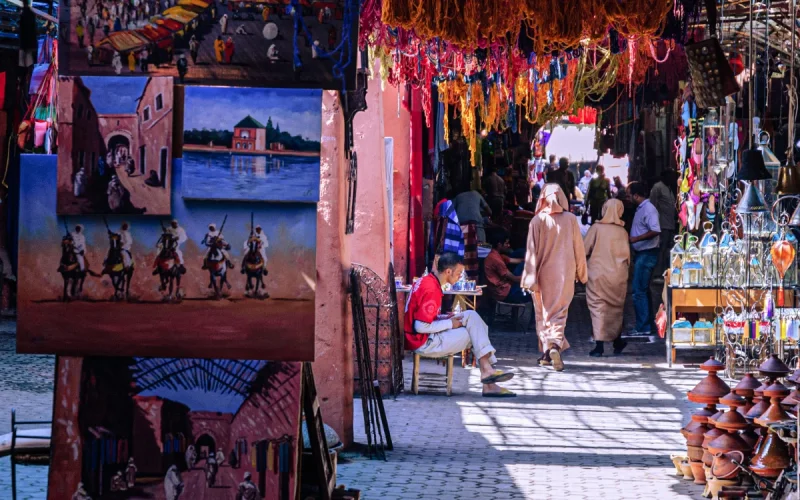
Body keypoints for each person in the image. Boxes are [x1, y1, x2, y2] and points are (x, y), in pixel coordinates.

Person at [405, 252, 516, 397]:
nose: (459, 277)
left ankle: (488, 373)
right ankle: (488, 377)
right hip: (424, 343)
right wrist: (450, 323)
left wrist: (445, 317)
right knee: (475, 334)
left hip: (425, 336)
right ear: (448, 271)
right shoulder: (431, 288)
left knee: (472, 316)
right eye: (458, 273)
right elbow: (420, 326)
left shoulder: (429, 281)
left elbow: (424, 317)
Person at [521, 184, 587, 372]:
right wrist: (582, 274)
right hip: (565, 274)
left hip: (542, 276)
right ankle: (555, 346)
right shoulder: (571, 220)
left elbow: (531, 252)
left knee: (542, 313)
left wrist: (528, 278)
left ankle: (546, 353)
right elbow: (579, 250)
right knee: (559, 313)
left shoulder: (536, 221)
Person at [584, 199, 631, 357]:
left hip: (597, 274)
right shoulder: (623, 232)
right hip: (618, 276)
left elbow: (585, 249)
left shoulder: (596, 228)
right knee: (616, 309)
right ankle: (617, 341)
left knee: (598, 308)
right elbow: (628, 258)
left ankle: (599, 346)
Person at [627, 181, 661, 336]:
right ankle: (648, 324)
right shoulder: (642, 208)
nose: (628, 198)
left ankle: (643, 327)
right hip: (643, 253)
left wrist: (636, 239)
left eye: (629, 195)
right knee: (643, 289)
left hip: (647, 253)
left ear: (636, 195)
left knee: (638, 290)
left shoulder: (648, 209)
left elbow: (655, 230)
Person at [484, 230, 526, 304]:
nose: (508, 245)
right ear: (499, 244)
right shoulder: (496, 260)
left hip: (503, 289)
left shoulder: (495, 255)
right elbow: (515, 279)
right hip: (503, 293)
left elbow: (515, 260)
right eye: (506, 243)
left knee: (521, 254)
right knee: (535, 294)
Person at [650, 169, 677, 275]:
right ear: (665, 176)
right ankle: (658, 273)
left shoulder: (669, 188)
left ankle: (664, 271)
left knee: (667, 249)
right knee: (661, 249)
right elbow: (653, 205)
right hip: (662, 225)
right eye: (670, 176)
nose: (672, 178)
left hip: (670, 224)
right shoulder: (658, 187)